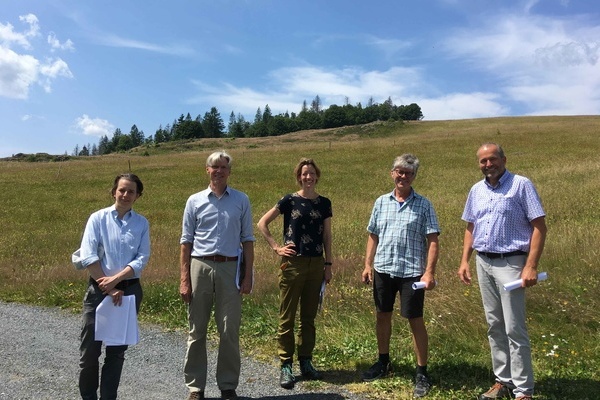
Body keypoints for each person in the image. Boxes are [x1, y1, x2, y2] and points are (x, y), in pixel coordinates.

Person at [458, 143, 547, 400]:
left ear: (504, 159)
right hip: (483, 262)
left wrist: (530, 265)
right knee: (494, 324)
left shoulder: (521, 185)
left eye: (492, 159)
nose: (488, 164)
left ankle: (523, 390)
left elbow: (539, 227)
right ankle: (502, 380)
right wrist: (465, 260)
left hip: (512, 264)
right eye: (483, 161)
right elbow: (470, 227)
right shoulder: (476, 190)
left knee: (514, 327)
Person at [361, 154, 439, 398]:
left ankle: (421, 373)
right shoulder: (381, 202)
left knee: (415, 319)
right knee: (382, 315)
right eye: (399, 171)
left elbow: (433, 240)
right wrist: (367, 265)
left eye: (409, 173)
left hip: (412, 273)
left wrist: (429, 272)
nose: (403, 176)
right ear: (392, 173)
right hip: (383, 268)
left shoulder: (424, 204)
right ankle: (383, 362)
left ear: (414, 176)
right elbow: (373, 235)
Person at [180, 151, 255, 400]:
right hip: (199, 265)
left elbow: (248, 239)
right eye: (214, 167)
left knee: (229, 329)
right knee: (197, 328)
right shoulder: (194, 201)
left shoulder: (241, 200)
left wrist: (248, 275)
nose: (218, 171)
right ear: (207, 170)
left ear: (229, 171)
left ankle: (228, 385)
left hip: (231, 267)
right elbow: (186, 242)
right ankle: (195, 387)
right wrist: (184, 278)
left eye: (223, 167)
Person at [257, 157, 333, 390]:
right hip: (292, 264)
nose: (308, 177)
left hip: (316, 264)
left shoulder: (324, 203)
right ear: (298, 177)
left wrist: (328, 264)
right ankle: (286, 365)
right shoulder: (289, 200)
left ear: (317, 176)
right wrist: (276, 247)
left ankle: (306, 362)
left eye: (311, 173)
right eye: (304, 174)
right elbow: (262, 223)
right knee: (287, 317)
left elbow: (327, 236)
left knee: (308, 318)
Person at [78, 173, 151, 400]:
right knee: (90, 351)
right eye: (122, 190)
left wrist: (117, 280)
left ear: (138, 196)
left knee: (117, 353)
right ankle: (88, 396)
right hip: (98, 291)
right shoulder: (97, 218)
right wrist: (108, 287)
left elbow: (142, 258)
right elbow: (88, 255)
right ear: (114, 192)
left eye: (131, 191)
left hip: (128, 292)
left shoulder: (141, 223)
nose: (126, 194)